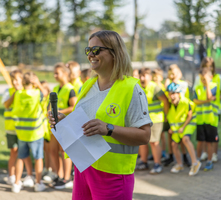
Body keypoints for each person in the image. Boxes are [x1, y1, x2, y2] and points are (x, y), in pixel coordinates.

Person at [49, 30, 151, 200]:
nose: (91, 55)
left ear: (114, 52)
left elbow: (145, 135)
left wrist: (108, 129)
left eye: (96, 50)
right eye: (88, 50)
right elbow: (85, 126)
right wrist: (64, 121)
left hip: (113, 175)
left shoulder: (131, 89)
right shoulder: (87, 85)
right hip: (83, 168)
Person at [11, 72, 48, 193]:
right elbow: (45, 93)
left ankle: (16, 183)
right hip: (35, 132)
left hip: (22, 132)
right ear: (33, 82)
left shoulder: (18, 93)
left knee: (21, 157)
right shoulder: (36, 93)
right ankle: (38, 183)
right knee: (38, 158)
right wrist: (39, 84)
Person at [2, 69, 33, 187]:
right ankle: (11, 175)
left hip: (23, 128)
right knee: (13, 152)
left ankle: (29, 175)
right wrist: (15, 93)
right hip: (11, 129)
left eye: (17, 79)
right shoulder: (8, 91)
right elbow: (6, 104)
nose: (14, 82)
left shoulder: (27, 92)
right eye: (12, 80)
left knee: (24, 153)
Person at [49, 63, 77, 189]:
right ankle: (59, 175)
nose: (55, 75)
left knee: (64, 151)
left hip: (66, 124)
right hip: (55, 125)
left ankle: (67, 178)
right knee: (53, 150)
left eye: (57, 73)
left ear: (65, 74)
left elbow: (74, 106)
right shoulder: (55, 87)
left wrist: (60, 112)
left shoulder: (70, 88)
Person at [137, 67, 169, 174]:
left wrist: (165, 115)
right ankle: (144, 162)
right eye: (140, 76)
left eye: (144, 76)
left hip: (155, 119)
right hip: (142, 120)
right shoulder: (137, 87)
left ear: (150, 77)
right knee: (142, 142)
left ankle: (157, 164)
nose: (142, 78)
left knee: (154, 142)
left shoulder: (155, 88)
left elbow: (165, 101)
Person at [166, 82, 201, 176]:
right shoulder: (171, 104)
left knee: (186, 139)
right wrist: (172, 129)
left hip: (189, 124)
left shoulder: (185, 102)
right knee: (173, 144)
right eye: (170, 94)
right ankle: (179, 164)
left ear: (179, 94)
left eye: (173, 94)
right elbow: (173, 118)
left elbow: (189, 115)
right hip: (178, 127)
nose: (171, 96)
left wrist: (183, 127)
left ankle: (195, 162)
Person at [163, 64, 190, 167]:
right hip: (171, 113)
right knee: (171, 135)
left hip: (180, 113)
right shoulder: (169, 84)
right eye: (170, 74)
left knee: (181, 137)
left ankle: (184, 156)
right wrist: (168, 78)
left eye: (174, 73)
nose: (172, 76)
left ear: (179, 73)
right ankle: (171, 156)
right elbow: (166, 91)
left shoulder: (182, 84)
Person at [193, 57, 220, 162]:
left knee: (213, 137)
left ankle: (214, 154)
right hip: (201, 115)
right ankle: (203, 154)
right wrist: (206, 100)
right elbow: (196, 97)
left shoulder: (217, 78)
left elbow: (214, 95)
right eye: (205, 66)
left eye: (210, 66)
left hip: (213, 112)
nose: (208, 68)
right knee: (203, 138)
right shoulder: (198, 80)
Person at [152, 68, 168, 160]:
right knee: (157, 136)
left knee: (162, 135)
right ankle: (157, 153)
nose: (155, 79)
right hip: (156, 116)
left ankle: (163, 151)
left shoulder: (161, 88)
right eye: (154, 77)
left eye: (157, 77)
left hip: (161, 115)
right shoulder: (152, 87)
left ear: (161, 78)